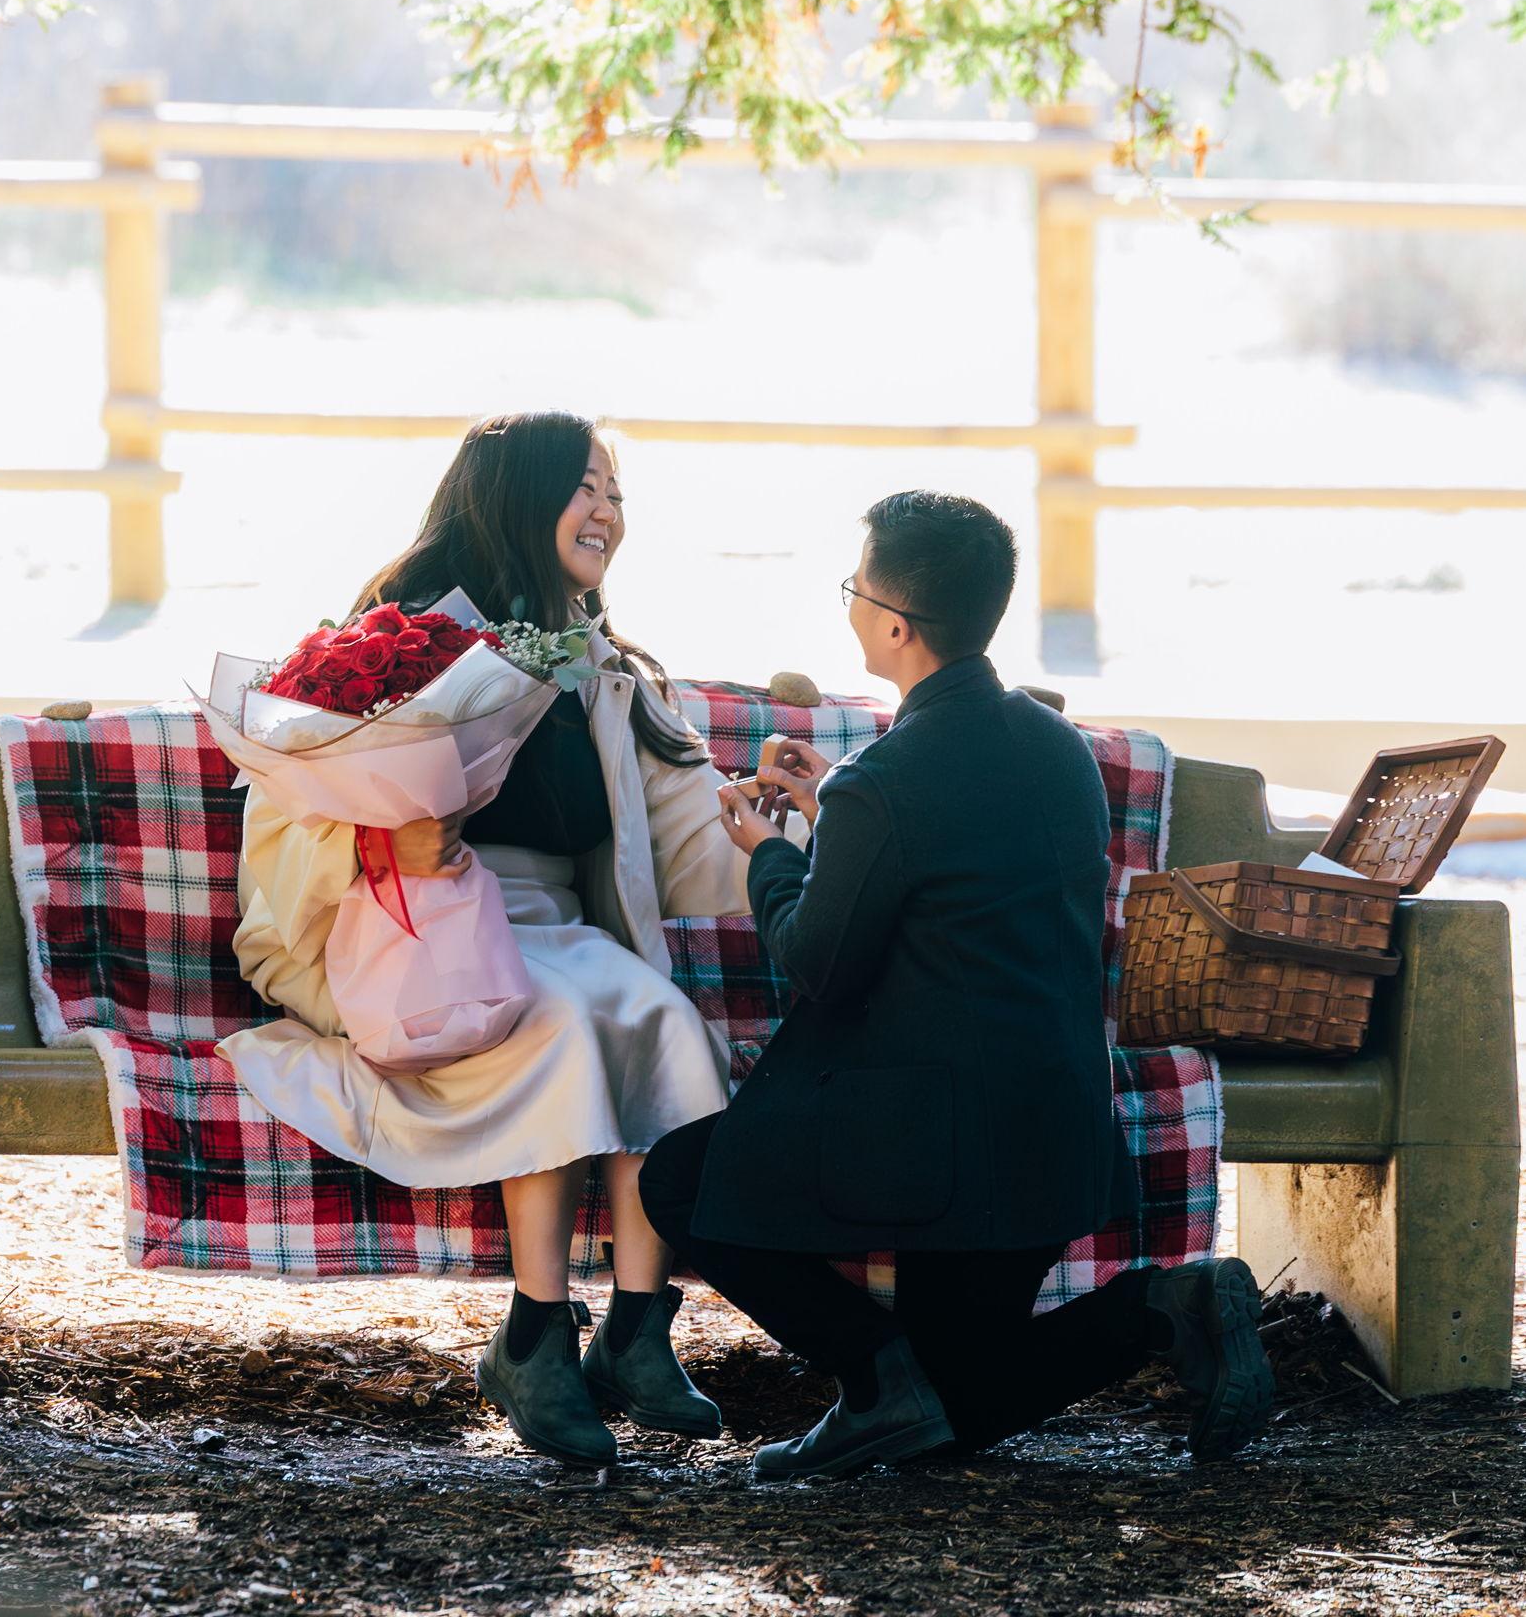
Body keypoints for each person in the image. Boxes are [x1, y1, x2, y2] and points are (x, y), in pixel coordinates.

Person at [640, 490, 1276, 1479]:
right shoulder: (1055, 747)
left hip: (931, 1143)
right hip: (1052, 1124)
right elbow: (954, 869)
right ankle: (1167, 1308)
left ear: (895, 624)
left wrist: (771, 850)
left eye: (855, 589)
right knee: (954, 1407)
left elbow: (817, 961)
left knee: (677, 1180)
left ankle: (876, 1378)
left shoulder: (884, 781)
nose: (851, 605)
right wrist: (835, 810)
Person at [218, 411, 750, 1467]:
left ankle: (637, 1333)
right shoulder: (399, 635)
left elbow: (681, 839)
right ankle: (534, 1337)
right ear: (516, 492)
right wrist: (387, 840)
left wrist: (777, 832)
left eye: (616, 494)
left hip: (556, 923)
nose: (607, 512)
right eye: (585, 486)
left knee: (669, 1026)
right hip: (409, 925)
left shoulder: (598, 665)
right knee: (552, 1027)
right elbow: (289, 803)